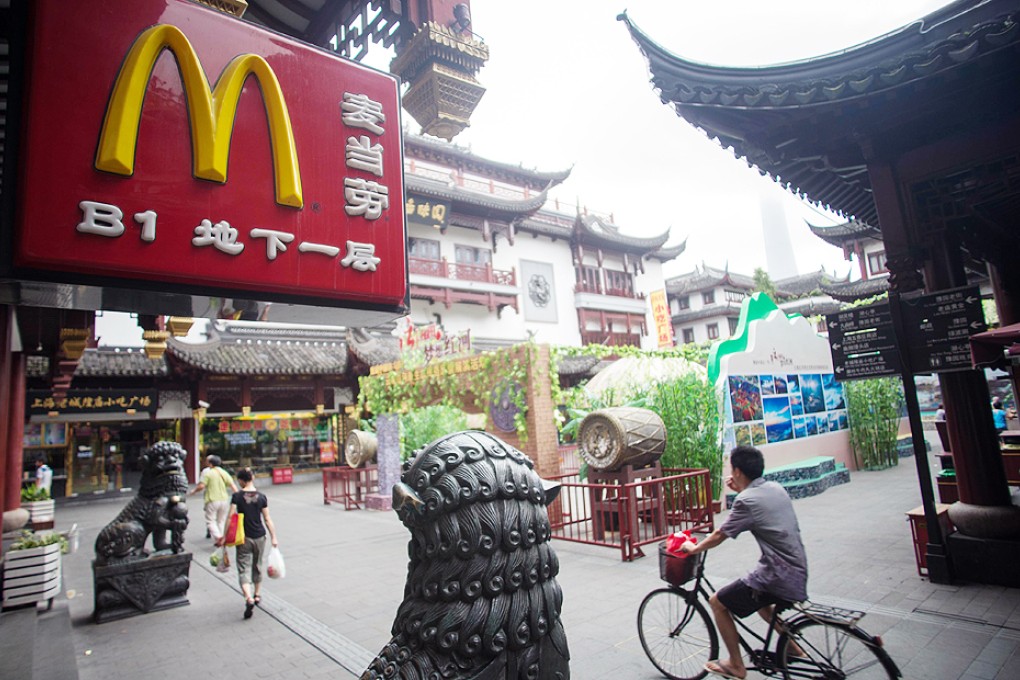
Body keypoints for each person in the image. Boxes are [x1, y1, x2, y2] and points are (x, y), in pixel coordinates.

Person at [680, 446, 808, 680]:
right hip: (797, 569)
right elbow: (758, 507)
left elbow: (720, 534)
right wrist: (741, 489)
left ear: (737, 471)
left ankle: (736, 665)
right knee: (761, 605)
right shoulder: (775, 488)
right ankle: (793, 647)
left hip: (778, 576)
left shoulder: (746, 500)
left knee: (717, 602)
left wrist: (695, 547)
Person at [224, 467, 278, 620]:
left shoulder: (237, 497)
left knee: (243, 568)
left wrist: (224, 536)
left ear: (241, 480)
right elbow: (267, 518)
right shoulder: (261, 497)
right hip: (260, 536)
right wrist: (274, 537)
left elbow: (229, 517)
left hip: (243, 537)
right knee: (257, 565)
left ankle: (248, 598)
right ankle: (258, 594)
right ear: (252, 478)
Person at [189, 455, 238, 542]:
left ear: (210, 464)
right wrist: (238, 496)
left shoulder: (208, 473)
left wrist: (193, 491)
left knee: (210, 521)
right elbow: (232, 485)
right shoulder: (224, 472)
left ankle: (218, 537)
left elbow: (201, 486)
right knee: (221, 521)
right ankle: (222, 538)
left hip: (212, 499)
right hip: (224, 499)